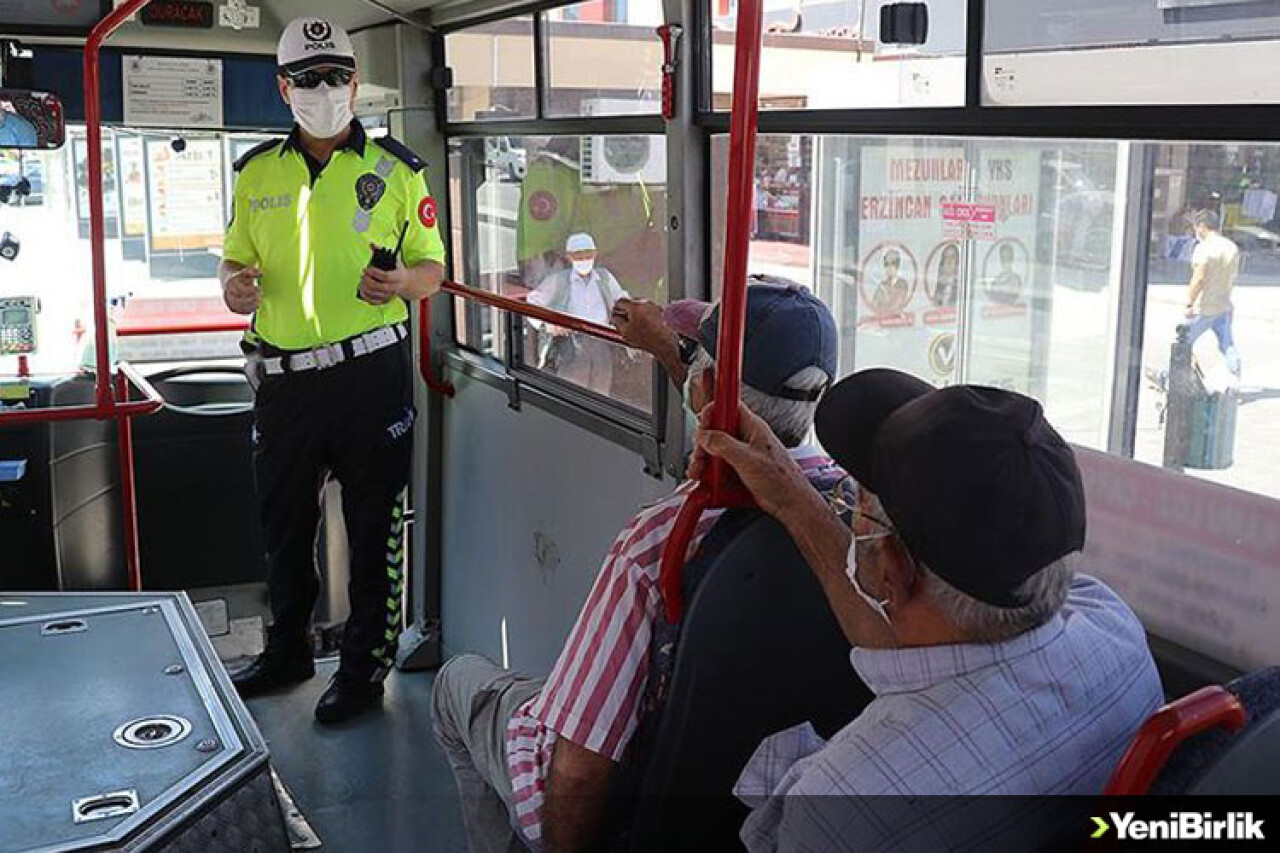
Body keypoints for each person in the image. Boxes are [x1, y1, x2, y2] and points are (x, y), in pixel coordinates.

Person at [432, 280, 840, 852]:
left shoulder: (661, 545)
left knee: (457, 686)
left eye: (696, 357)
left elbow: (579, 768)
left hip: (627, 783)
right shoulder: (853, 523)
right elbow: (729, 411)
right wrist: (669, 349)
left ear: (706, 386)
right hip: (748, 802)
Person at [695, 369, 1163, 852]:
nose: (849, 505)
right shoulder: (1114, 630)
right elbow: (939, 655)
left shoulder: (844, 805)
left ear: (891, 572)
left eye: (855, 501)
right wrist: (792, 496)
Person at [220, 17, 445, 724]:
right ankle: (286, 648)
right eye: (309, 79)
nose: (326, 90)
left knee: (376, 526)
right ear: (284, 88)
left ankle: (361, 671)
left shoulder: (399, 172)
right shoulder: (256, 174)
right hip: (283, 381)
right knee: (282, 523)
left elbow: (435, 270)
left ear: (355, 82)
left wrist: (402, 282)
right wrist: (233, 286)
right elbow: (233, 260)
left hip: (368, 377)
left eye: (337, 76)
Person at [525, 233, 628, 395]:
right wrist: (548, 324)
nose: (585, 259)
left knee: (601, 392)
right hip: (571, 345)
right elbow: (532, 303)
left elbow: (622, 300)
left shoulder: (605, 278)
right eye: (579, 256)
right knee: (573, 392)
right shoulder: (559, 281)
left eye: (588, 254)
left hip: (602, 342)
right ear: (569, 257)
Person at [1184, 210, 1242, 377]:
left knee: (1182, 343)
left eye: (1196, 228)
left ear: (1201, 226)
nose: (1196, 232)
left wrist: (1189, 302)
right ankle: (1235, 375)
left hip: (1204, 307)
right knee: (1227, 345)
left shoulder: (1204, 249)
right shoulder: (1231, 247)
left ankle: (1168, 376)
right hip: (1224, 304)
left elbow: (1199, 278)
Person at [869, 248, 911, 316]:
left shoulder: (902, 284)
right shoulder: (882, 285)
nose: (889, 268)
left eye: (893, 264)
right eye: (886, 264)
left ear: (897, 266)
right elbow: (875, 304)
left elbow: (897, 304)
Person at [930, 242, 959, 308]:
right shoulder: (936, 285)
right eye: (946, 257)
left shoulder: (962, 286)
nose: (949, 261)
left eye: (953, 257)